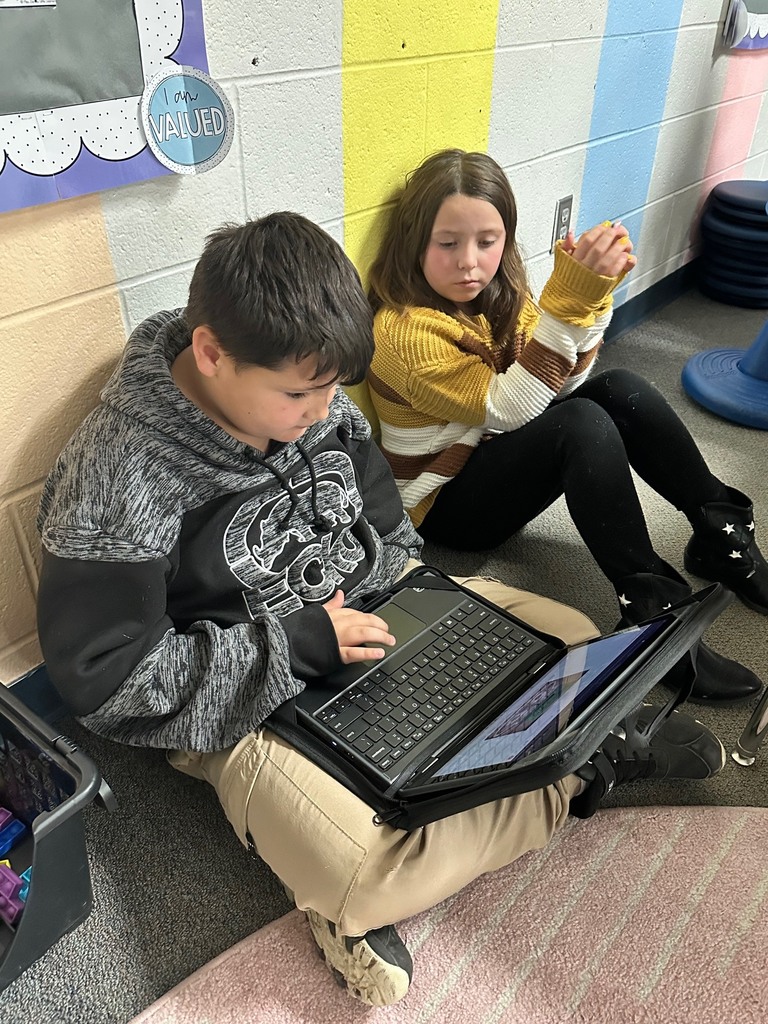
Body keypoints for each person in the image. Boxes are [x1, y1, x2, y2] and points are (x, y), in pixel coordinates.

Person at [37, 213, 726, 1008]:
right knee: (367, 861)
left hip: (378, 616)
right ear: (211, 354)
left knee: (574, 642)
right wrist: (295, 647)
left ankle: (552, 763)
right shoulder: (117, 475)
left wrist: (418, 619)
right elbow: (110, 684)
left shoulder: (317, 397)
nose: (324, 409)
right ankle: (578, 765)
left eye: (331, 387)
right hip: (251, 698)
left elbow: (389, 533)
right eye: (301, 393)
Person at [367, 148, 767, 708]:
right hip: (445, 502)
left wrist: (591, 300)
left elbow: (569, 378)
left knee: (616, 387)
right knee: (579, 424)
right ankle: (651, 615)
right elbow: (513, 409)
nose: (470, 263)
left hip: (493, 451)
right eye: (447, 242)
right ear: (414, 242)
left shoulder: (497, 295)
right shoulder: (404, 330)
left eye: (488, 241)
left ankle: (719, 530)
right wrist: (571, 301)